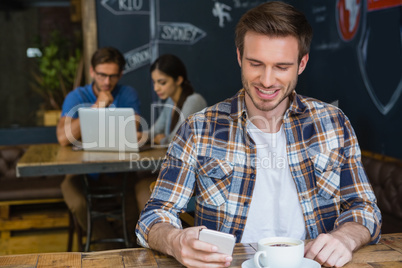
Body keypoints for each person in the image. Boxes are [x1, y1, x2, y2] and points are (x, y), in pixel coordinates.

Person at [135, 2, 381, 268]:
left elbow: (365, 209)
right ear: (240, 57)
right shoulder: (198, 129)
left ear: (302, 63)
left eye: (281, 67)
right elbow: (153, 215)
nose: (266, 80)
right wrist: (174, 240)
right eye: (256, 64)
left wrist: (346, 237)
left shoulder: (333, 123)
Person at [57, 47, 141, 248]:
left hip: (120, 174)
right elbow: (62, 137)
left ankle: (126, 248)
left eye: (113, 76)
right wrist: (96, 107)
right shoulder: (77, 96)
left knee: (135, 209)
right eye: (102, 75)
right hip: (81, 175)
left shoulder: (128, 93)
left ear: (120, 74)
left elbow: (133, 130)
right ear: (92, 72)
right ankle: (111, 251)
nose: (106, 82)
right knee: (77, 202)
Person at [135, 54, 207, 213]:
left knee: (142, 186)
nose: (156, 88)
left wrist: (160, 140)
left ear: (179, 80)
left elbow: (176, 140)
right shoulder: (171, 101)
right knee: (139, 181)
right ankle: (145, 234)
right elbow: (157, 130)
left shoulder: (194, 101)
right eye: (154, 82)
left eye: (162, 82)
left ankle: (152, 234)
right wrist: (141, 136)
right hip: (175, 171)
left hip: (192, 180)